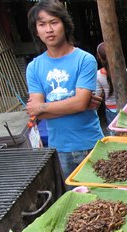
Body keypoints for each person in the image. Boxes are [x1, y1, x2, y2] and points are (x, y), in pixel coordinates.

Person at [25, 0, 103, 180]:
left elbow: (80, 103)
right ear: (36, 31)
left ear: (65, 25)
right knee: (76, 203)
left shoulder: (85, 60)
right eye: (42, 24)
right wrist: (74, 104)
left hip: (89, 144)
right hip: (59, 148)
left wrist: (44, 107)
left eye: (54, 22)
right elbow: (37, 113)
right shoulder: (34, 67)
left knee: (101, 201)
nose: (49, 29)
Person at [96, 42, 127, 125]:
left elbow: (97, 96)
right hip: (126, 108)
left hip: (111, 110)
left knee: (115, 133)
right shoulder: (123, 71)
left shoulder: (98, 75)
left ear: (99, 58)